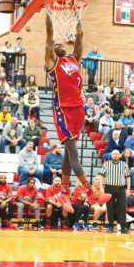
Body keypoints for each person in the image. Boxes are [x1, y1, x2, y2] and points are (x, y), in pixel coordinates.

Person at [45, 11, 105, 205]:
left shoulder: (73, 59)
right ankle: (90, 190)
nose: (59, 44)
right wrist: (50, 13)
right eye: (56, 45)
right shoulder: (52, 63)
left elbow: (79, 36)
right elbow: (49, 35)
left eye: (62, 43)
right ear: (53, 50)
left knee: (69, 154)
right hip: (63, 109)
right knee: (74, 152)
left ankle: (64, 193)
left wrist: (77, 15)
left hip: (79, 108)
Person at [99, 150, 129, 234]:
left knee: (122, 207)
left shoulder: (124, 164)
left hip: (120, 188)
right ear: (111, 155)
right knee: (110, 208)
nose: (115, 155)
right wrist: (101, 187)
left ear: (119, 155)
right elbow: (101, 175)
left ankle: (124, 227)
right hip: (109, 188)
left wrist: (129, 189)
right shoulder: (106, 164)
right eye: (113, 154)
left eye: (117, 154)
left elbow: (128, 177)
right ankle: (110, 226)